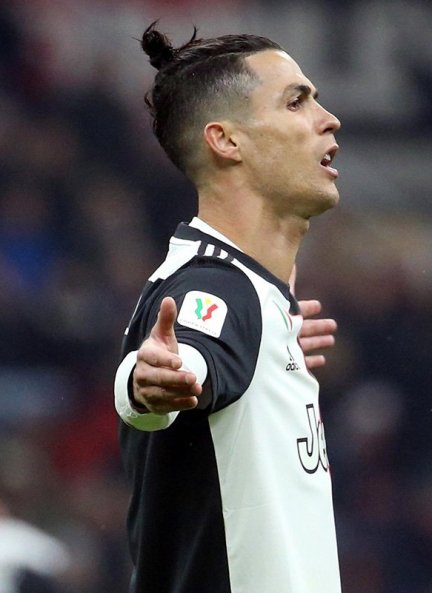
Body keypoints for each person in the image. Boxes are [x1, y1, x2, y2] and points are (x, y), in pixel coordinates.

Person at [114, 22, 342, 593]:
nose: (328, 118)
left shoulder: (256, 300)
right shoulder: (217, 288)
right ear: (227, 141)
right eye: (297, 100)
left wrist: (272, 341)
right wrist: (153, 383)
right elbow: (176, 362)